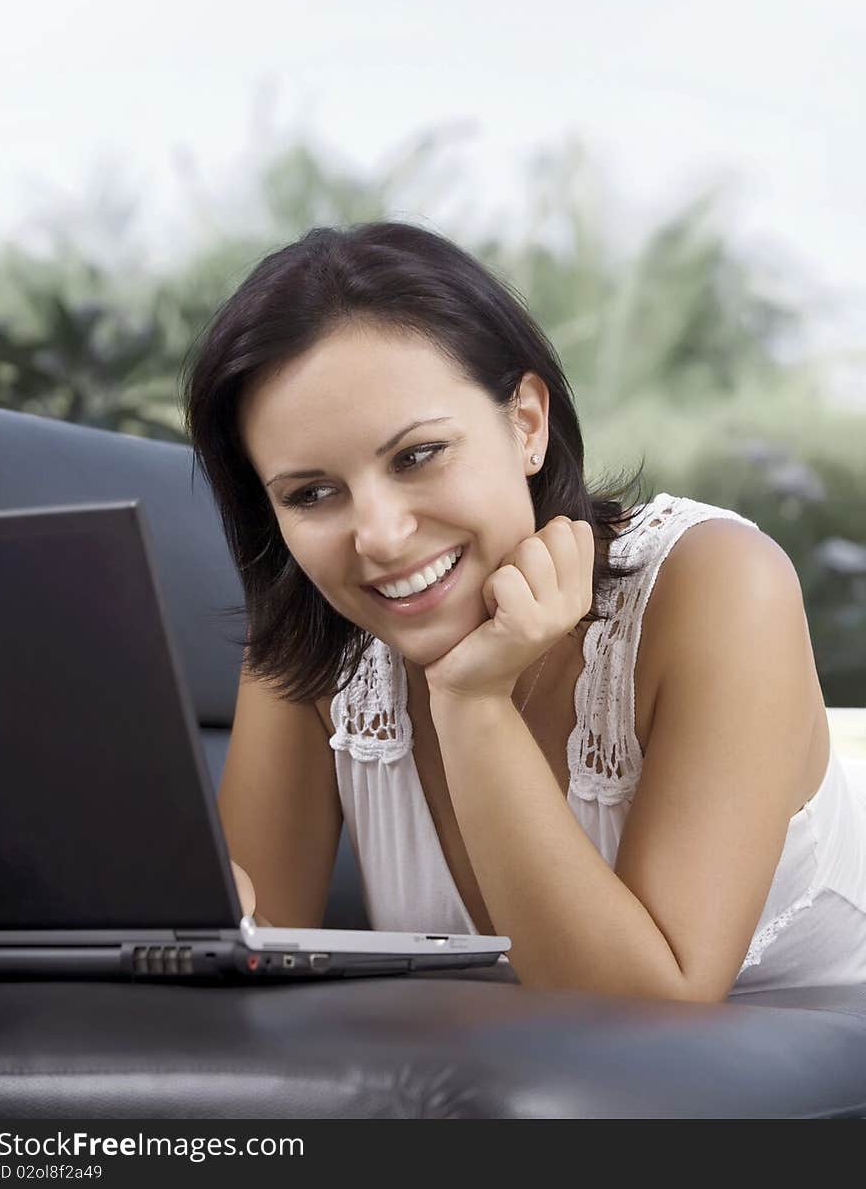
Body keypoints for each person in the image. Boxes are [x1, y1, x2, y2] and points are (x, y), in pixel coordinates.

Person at [180, 220, 866, 1001]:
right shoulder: (316, 639)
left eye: (417, 456)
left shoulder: (717, 585)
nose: (379, 536)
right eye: (311, 493)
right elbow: (241, 963)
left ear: (526, 423)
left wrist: (472, 702)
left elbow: (648, 1013)